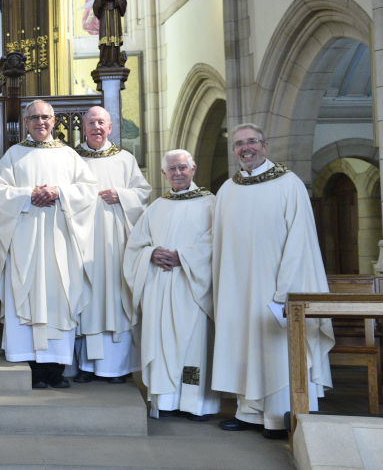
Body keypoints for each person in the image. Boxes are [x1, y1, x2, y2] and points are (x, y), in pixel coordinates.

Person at [211, 123, 334, 440]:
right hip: (238, 292)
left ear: (265, 147)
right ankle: (248, 413)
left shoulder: (288, 184)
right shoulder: (227, 190)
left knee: (276, 352)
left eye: (252, 142)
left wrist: (285, 293)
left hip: (276, 291)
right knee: (244, 348)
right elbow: (218, 247)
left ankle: (279, 418)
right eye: (239, 144)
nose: (245, 148)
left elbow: (300, 243)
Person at [0, 100, 97, 389]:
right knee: (27, 297)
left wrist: (58, 192)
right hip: (24, 244)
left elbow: (88, 190)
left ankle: (55, 370)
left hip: (60, 242)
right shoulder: (14, 155)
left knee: (58, 297)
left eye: (45, 117)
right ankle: (31, 368)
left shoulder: (69, 156)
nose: (40, 122)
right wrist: (28, 194)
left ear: (55, 120)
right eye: (34, 117)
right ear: (25, 123)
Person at [123, 149, 220, 420]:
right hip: (160, 288)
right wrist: (150, 253)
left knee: (193, 346)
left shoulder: (211, 203)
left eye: (182, 168)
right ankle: (164, 402)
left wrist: (183, 257)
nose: (178, 174)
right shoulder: (156, 207)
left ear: (193, 169)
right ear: (164, 174)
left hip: (193, 289)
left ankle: (194, 403)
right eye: (172, 170)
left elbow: (216, 242)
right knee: (162, 343)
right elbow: (135, 246)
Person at [74, 105, 151, 383]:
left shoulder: (124, 159)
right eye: (91, 122)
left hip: (115, 242)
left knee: (116, 300)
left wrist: (121, 194)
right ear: (84, 128)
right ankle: (86, 366)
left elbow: (143, 193)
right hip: (82, 241)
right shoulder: (72, 159)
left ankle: (117, 369)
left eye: (101, 123)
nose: (96, 127)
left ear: (110, 128)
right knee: (87, 298)